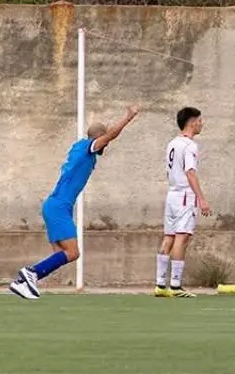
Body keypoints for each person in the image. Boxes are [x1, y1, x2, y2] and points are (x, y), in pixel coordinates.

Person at [8, 106, 139, 299]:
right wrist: (127, 118)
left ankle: (23, 283)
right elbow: (110, 135)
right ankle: (31, 273)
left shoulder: (79, 148)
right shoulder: (88, 147)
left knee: (60, 254)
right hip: (59, 207)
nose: (106, 145)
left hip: (55, 206)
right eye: (104, 141)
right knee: (73, 252)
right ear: (98, 139)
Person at [156, 107, 210, 298]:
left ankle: (160, 284)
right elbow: (190, 172)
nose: (201, 124)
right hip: (184, 195)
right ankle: (176, 286)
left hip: (172, 194)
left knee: (168, 237)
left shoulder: (172, 143)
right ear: (192, 122)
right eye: (200, 120)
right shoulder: (189, 146)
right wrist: (201, 199)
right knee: (182, 237)